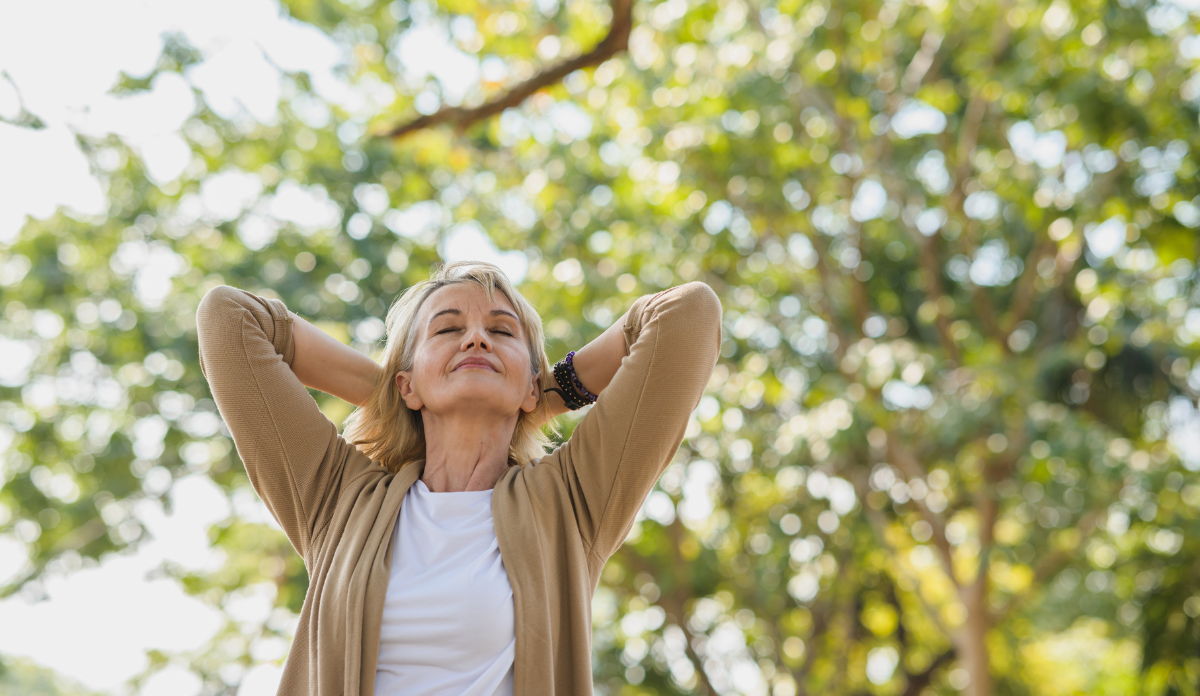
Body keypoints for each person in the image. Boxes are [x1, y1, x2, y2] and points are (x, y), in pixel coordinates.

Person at [195, 260, 722, 696]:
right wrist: (395, 396)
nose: (475, 339)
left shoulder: (571, 500)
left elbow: (687, 315)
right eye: (447, 329)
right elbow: (230, 318)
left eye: (500, 331)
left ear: (531, 385)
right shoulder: (338, 498)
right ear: (407, 383)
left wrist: (539, 395)